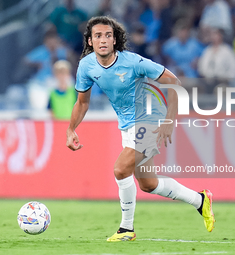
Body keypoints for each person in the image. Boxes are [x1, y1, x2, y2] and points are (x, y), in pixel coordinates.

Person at [66, 16, 215, 242]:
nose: (103, 40)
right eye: (98, 36)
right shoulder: (86, 66)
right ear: (90, 42)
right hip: (127, 124)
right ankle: (200, 200)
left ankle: (126, 229)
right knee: (148, 184)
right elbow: (82, 103)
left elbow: (173, 81)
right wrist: (71, 130)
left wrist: (168, 120)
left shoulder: (133, 62)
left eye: (108, 35)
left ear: (115, 41)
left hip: (150, 119)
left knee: (120, 169)